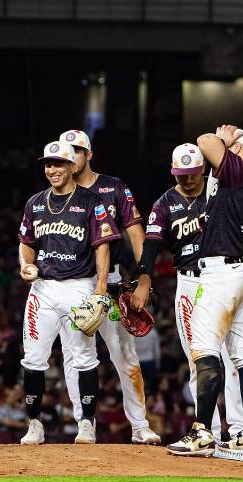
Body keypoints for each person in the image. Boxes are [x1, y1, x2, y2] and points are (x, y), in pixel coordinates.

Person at [166, 126, 243, 461]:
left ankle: (202, 433)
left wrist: (224, 139)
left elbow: (204, 142)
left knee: (205, 349)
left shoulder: (239, 171)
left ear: (238, 151)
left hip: (223, 272)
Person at [132, 143, 243, 447]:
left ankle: (238, 432)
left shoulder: (219, 191)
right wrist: (144, 279)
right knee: (199, 360)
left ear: (203, 170)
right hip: (190, 283)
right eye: (182, 175)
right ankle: (210, 434)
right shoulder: (165, 203)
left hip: (222, 278)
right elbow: (152, 245)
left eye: (193, 173)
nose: (189, 180)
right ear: (174, 173)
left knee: (232, 359)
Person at [59, 129, 160, 445]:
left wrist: (145, 277)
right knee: (73, 355)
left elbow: (135, 234)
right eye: (65, 152)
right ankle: (84, 423)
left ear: (89, 154)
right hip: (72, 282)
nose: (70, 157)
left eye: (76, 151)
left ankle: (140, 425)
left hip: (112, 281)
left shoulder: (113, 187)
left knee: (125, 354)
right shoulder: (55, 194)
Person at [17, 140, 118, 445]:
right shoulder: (35, 202)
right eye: (48, 164)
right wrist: (26, 265)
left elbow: (103, 246)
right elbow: (26, 243)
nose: (52, 170)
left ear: (73, 166)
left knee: (84, 358)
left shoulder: (91, 201)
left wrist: (100, 289)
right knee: (33, 358)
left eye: (59, 164)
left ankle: (86, 422)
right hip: (43, 288)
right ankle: (34, 423)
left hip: (79, 286)